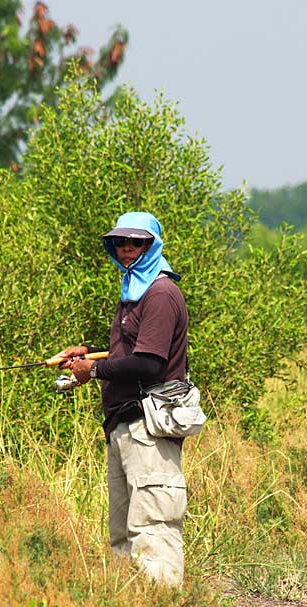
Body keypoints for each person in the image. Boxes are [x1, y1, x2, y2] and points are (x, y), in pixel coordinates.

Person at [58, 211, 189, 587]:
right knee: (123, 532)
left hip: (147, 426)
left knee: (153, 526)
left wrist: (93, 371)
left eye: (137, 242)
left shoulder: (161, 293)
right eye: (120, 242)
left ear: (152, 245)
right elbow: (131, 351)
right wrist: (89, 355)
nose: (127, 248)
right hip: (123, 425)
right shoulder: (134, 289)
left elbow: (149, 364)